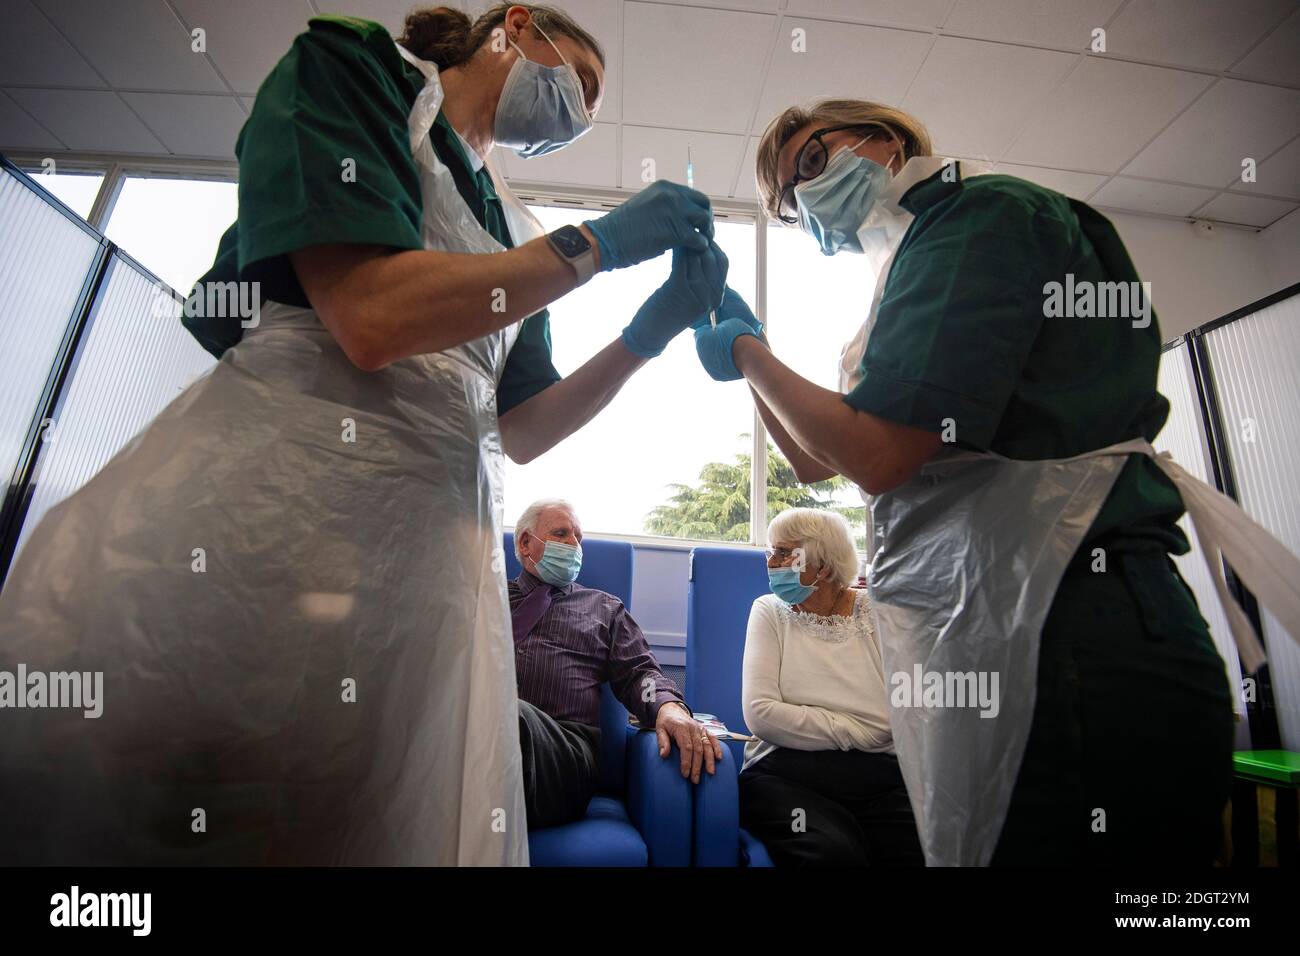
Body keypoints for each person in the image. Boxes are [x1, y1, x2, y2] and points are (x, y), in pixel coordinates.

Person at [0, 4, 725, 865]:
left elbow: (524, 430)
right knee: (189, 793)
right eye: (581, 85)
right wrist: (594, 246)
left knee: (360, 814)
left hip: (421, 563)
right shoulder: (358, 73)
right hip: (275, 504)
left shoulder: (513, 232)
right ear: (518, 27)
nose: (580, 116)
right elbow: (369, 315)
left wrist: (649, 332)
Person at [689, 97, 1298, 866]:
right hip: (1006, 630)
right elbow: (822, 463)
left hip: (1078, 634)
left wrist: (748, 354)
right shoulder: (906, 272)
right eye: (786, 205)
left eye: (813, 162)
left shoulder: (981, 220)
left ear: (885, 137)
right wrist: (751, 354)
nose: (806, 200)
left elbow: (878, 455)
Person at [509, 499, 723, 828]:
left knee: (505, 714)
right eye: (562, 533)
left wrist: (669, 708)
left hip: (565, 755)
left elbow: (640, 675)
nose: (574, 545)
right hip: (480, 740)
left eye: (578, 538)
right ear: (526, 543)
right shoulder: (488, 599)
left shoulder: (603, 609)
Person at [738, 508, 921, 868]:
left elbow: (904, 710)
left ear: (822, 565)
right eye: (770, 552)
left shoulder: (881, 614)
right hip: (785, 775)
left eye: (783, 552)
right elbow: (761, 715)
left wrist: (875, 729)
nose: (770, 562)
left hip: (880, 779)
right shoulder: (769, 612)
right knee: (831, 853)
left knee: (921, 847)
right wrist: (860, 729)